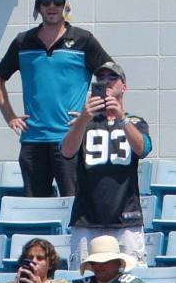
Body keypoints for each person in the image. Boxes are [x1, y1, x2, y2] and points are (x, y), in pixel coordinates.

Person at [0, 0, 115, 198]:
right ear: (38, 7)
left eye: (57, 1)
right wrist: (9, 116)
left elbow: (111, 77)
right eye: (46, 1)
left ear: (65, 6)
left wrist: (92, 116)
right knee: (36, 209)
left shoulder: (83, 40)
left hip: (71, 139)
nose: (51, 6)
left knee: (74, 204)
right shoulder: (23, 41)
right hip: (32, 141)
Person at [60, 59, 151, 268]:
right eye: (101, 78)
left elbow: (143, 149)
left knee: (132, 276)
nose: (106, 82)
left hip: (126, 218)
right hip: (86, 218)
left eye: (113, 78)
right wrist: (84, 118)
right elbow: (66, 151)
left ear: (124, 87)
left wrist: (121, 118)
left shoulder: (136, 122)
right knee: (82, 277)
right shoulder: (83, 122)